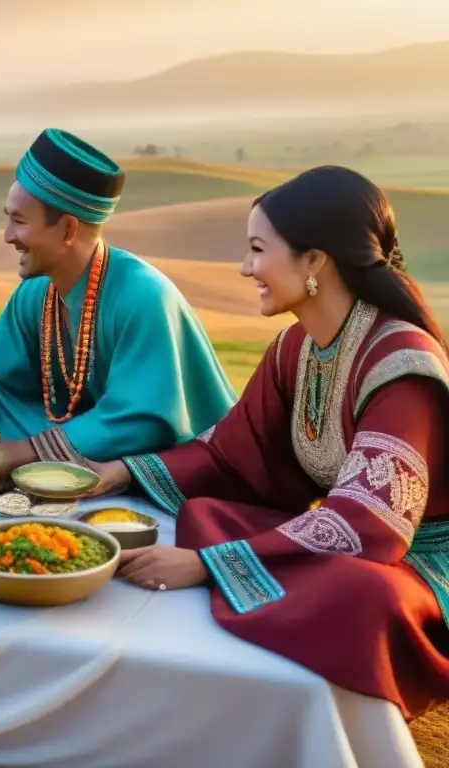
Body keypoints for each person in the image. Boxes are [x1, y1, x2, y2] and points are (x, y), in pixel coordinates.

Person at [91, 165, 449, 719]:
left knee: (362, 600)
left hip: (418, 562)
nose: (245, 268)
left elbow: (370, 526)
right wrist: (121, 471)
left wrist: (207, 565)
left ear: (314, 261)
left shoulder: (400, 364)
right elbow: (230, 457)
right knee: (212, 514)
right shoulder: (296, 350)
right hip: (350, 542)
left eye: (258, 250)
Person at [0, 128, 237, 469]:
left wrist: (22, 452)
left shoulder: (143, 297)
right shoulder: (36, 292)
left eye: (19, 221)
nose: (8, 236)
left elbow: (143, 422)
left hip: (173, 458)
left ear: (68, 230)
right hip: (83, 434)